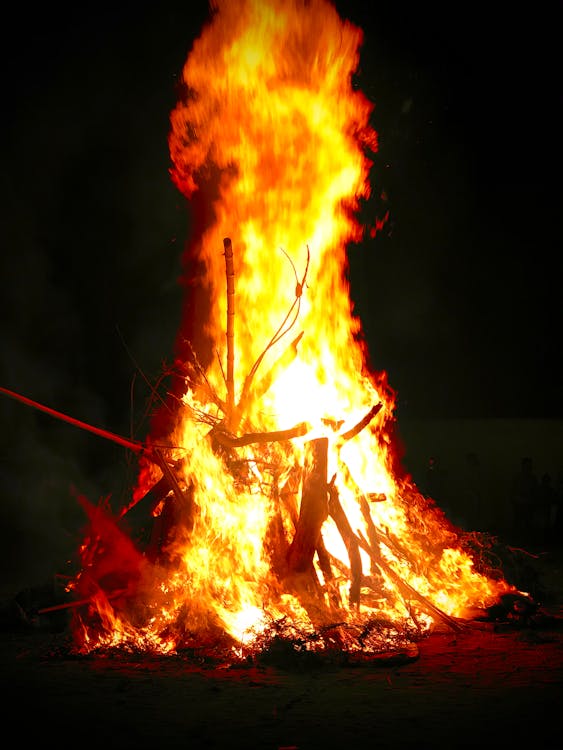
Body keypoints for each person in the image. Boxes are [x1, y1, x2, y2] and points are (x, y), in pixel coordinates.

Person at [509, 456, 539, 541]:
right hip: (519, 504)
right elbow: (512, 491)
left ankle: (527, 540)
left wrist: (532, 501)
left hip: (529, 504)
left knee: (528, 523)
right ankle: (517, 540)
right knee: (518, 522)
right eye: (527, 466)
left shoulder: (533, 478)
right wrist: (516, 499)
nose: (528, 468)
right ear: (523, 466)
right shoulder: (518, 478)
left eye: (530, 466)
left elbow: (535, 491)